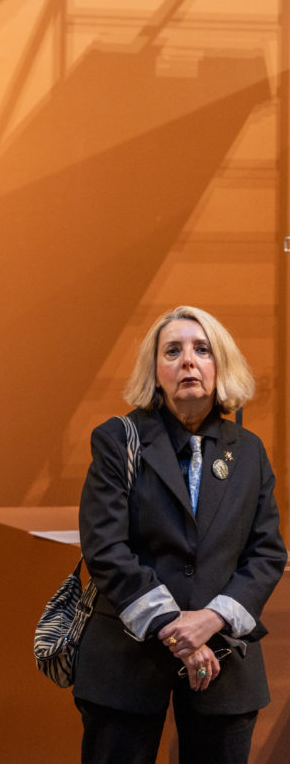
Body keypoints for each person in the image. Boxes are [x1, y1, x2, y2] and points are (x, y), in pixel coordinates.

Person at [75, 305, 286, 764]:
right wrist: (177, 630)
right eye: (172, 351)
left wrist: (211, 621)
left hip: (224, 661)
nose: (188, 361)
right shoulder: (117, 440)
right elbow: (106, 549)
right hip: (127, 661)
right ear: (155, 372)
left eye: (202, 349)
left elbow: (267, 553)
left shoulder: (248, 451)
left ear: (220, 366)